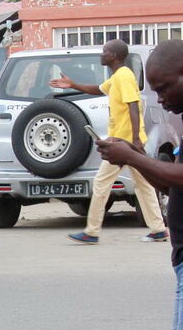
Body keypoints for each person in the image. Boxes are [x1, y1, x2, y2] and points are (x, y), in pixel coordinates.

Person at [95, 39, 183, 330]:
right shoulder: (175, 121)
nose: (160, 97)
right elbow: (169, 183)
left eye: (165, 87)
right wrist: (146, 157)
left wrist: (133, 156)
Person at [50, 39, 168, 244]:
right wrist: (73, 84)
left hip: (124, 142)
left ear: (113, 56)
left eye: (105, 51)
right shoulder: (118, 76)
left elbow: (133, 105)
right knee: (143, 185)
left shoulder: (124, 76)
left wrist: (135, 140)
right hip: (123, 140)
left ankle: (92, 231)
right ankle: (158, 229)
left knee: (101, 182)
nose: (101, 54)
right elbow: (99, 89)